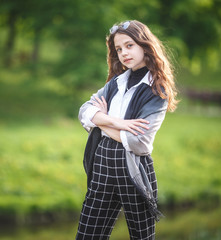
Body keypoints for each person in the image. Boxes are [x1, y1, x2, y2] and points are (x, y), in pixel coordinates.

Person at [76, 20, 178, 240]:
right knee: (87, 234)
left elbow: (138, 140)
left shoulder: (156, 90)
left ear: (144, 45)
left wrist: (101, 122)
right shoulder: (115, 83)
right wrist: (119, 123)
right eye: (119, 49)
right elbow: (84, 111)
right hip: (103, 164)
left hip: (134, 169)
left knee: (141, 237)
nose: (123, 53)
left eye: (129, 45)